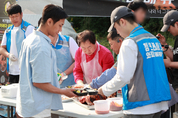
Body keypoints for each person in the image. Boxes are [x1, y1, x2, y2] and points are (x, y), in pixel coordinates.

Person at [98, 6, 171, 118]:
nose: (117, 32)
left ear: (122, 22)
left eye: (115, 28)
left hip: (140, 105)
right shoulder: (153, 39)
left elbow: (123, 77)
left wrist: (103, 90)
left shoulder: (130, 42)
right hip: (159, 103)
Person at [16, 4, 76, 117]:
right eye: (60, 25)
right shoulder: (42, 46)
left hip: (26, 105)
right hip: (38, 109)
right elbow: (39, 82)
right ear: (49, 21)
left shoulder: (29, 39)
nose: (60, 30)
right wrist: (63, 92)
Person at [38, 18, 79, 88]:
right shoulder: (40, 44)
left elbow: (78, 61)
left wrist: (64, 74)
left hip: (70, 86)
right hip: (51, 88)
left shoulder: (68, 41)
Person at [0, 4, 34, 84]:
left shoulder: (29, 28)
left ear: (21, 14)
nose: (14, 19)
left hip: (26, 70)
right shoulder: (8, 31)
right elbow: (2, 48)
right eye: (12, 17)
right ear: (9, 17)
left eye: (16, 16)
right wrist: (8, 55)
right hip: (12, 70)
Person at [158, 10, 178, 112]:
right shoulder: (177, 39)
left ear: (176, 23)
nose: (168, 30)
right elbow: (175, 57)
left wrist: (169, 64)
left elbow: (173, 61)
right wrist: (164, 45)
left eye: (169, 27)